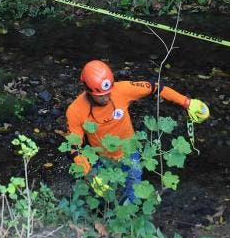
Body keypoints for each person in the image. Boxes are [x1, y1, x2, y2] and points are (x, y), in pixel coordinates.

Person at [65, 60, 209, 202]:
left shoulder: (121, 90)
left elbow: (156, 87)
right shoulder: (75, 111)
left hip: (129, 152)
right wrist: (90, 176)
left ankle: (130, 217)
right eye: (101, 95)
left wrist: (187, 102)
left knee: (133, 193)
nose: (107, 97)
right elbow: (74, 148)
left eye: (109, 92)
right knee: (102, 198)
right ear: (88, 90)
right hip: (100, 158)